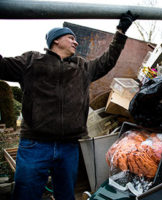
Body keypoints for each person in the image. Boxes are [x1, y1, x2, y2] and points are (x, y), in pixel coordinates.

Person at [0, 11, 137, 200]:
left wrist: (120, 32)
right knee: (26, 194)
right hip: (35, 144)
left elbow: (108, 61)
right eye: (71, 38)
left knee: (65, 195)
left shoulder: (82, 68)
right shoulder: (32, 62)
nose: (76, 42)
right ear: (56, 40)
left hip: (69, 146)